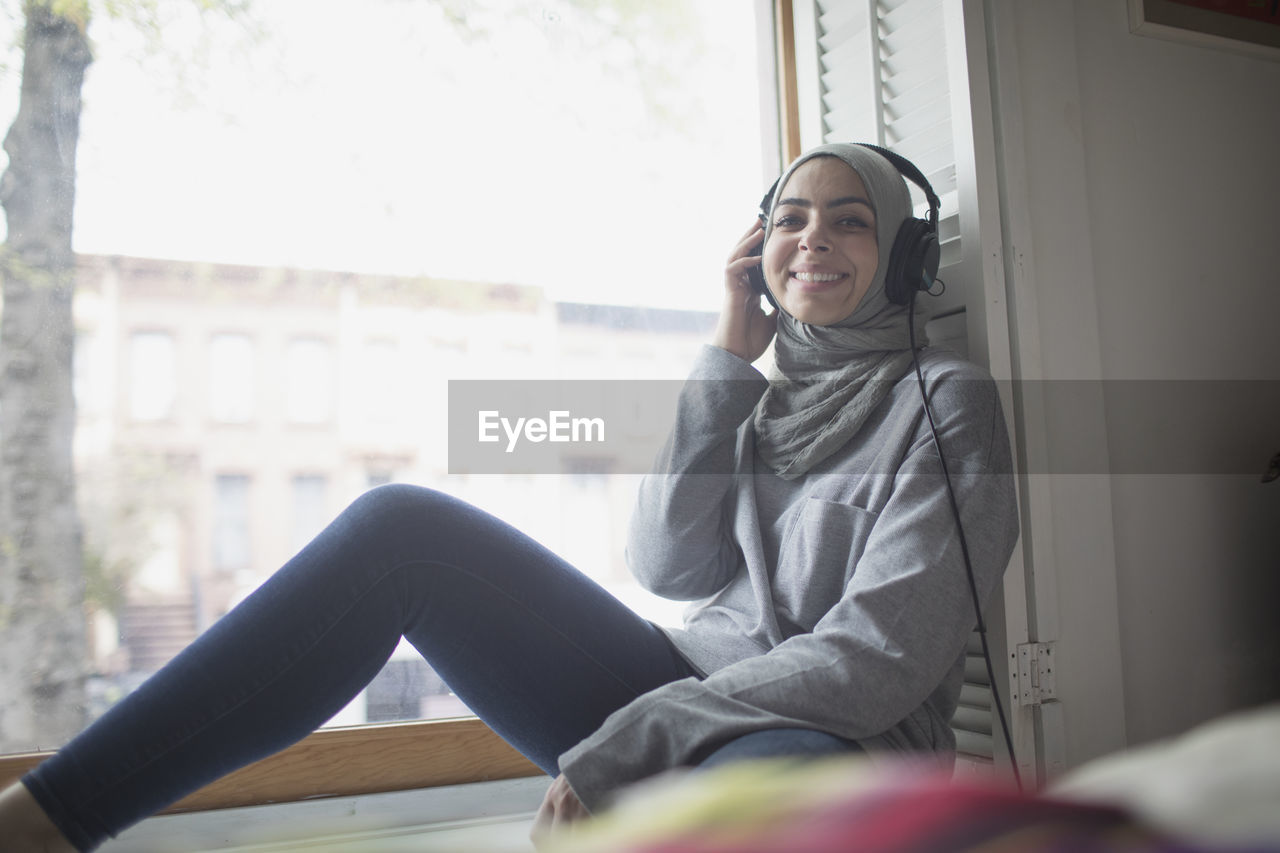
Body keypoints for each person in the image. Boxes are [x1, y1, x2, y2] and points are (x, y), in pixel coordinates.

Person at [0, 143, 1019, 851]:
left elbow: (874, 664)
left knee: (787, 798)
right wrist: (722, 359)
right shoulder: (758, 396)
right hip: (678, 693)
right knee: (400, 529)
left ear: (901, 258)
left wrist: (627, 745)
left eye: (848, 224)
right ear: (756, 254)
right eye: (788, 221)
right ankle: (50, 817)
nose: (811, 242)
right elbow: (670, 565)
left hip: (828, 741)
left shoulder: (945, 407)